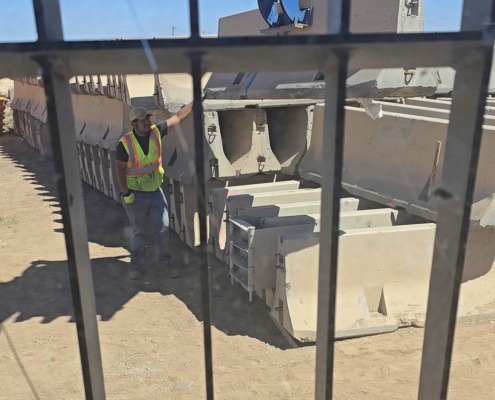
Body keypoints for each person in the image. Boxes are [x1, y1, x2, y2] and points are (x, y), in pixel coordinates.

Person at [115, 103, 193, 280]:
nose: (147, 122)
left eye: (148, 118)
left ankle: (164, 265)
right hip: (135, 195)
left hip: (155, 191)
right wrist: (126, 194)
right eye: (143, 120)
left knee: (163, 228)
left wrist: (195, 101)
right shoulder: (125, 144)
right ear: (134, 123)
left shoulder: (157, 131)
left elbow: (178, 117)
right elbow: (119, 170)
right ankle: (136, 266)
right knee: (138, 231)